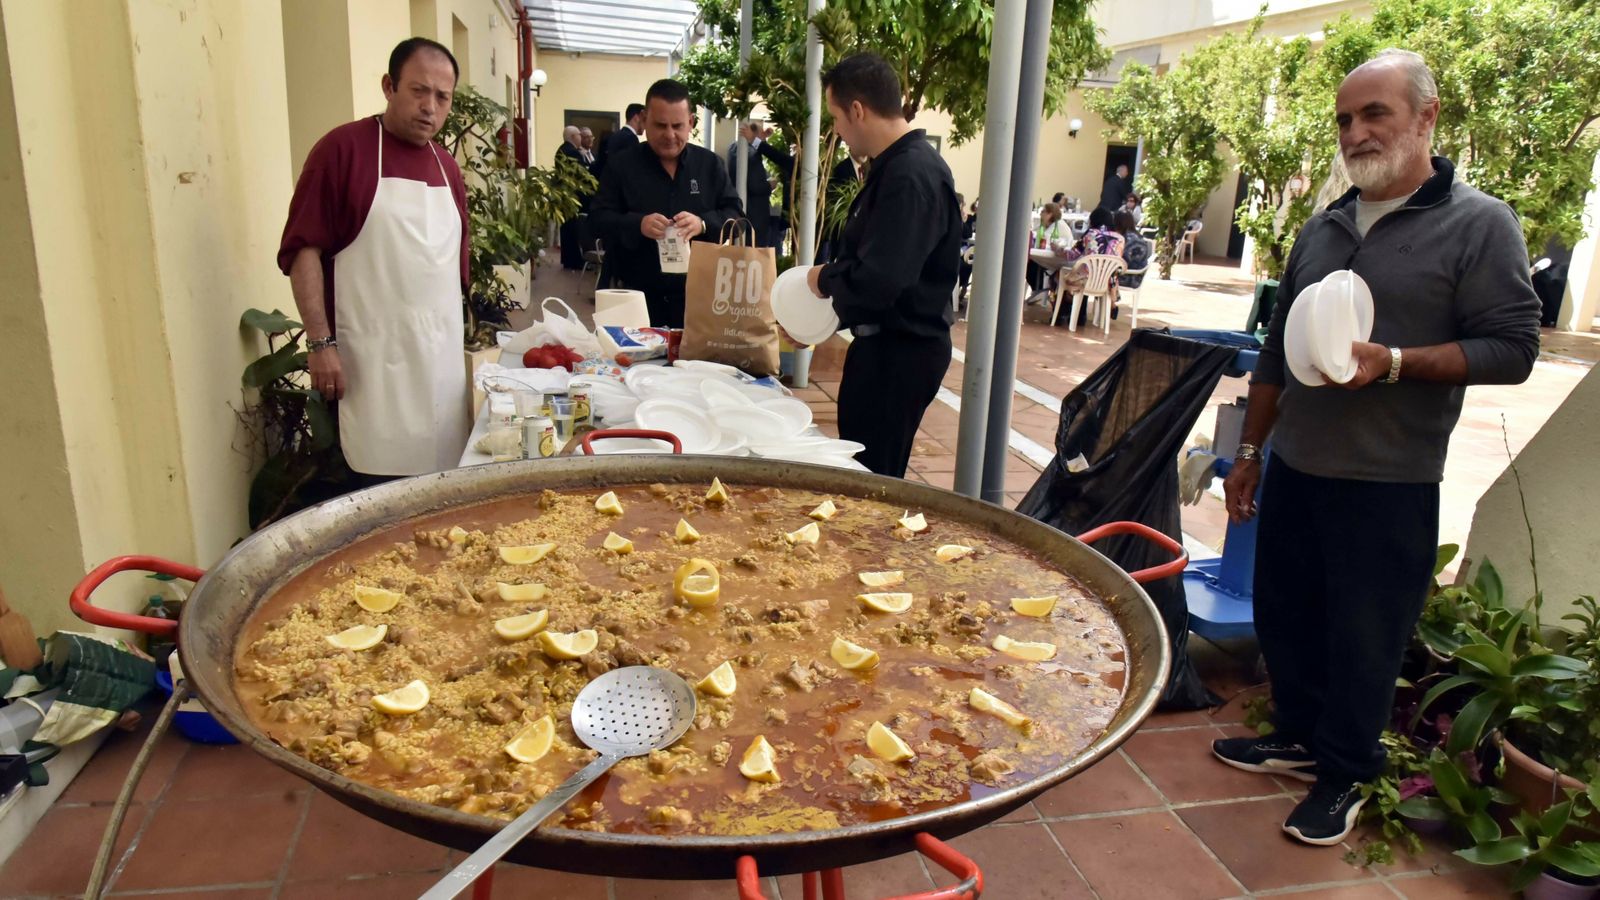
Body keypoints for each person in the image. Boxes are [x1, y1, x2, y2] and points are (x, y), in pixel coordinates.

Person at [1215, 49, 1540, 846]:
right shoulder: (1323, 225)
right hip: (1296, 463)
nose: (1355, 133)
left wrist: (1396, 363)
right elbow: (1276, 353)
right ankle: (1297, 737)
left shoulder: (1480, 224)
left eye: (1374, 114)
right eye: (1344, 120)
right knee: (1286, 615)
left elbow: (1514, 347)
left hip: (1389, 478)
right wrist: (1252, 449)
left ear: (1426, 117)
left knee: (1365, 634)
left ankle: (1347, 773)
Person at [277, 37, 470, 480]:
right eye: (418, 91)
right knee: (371, 496)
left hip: (439, 365)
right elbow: (304, 249)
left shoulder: (447, 166)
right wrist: (320, 344)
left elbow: (451, 273)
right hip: (369, 366)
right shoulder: (342, 151)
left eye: (442, 97)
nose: (430, 108)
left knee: (441, 492)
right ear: (389, 86)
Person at [806, 53, 961, 478]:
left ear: (857, 110)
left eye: (836, 117)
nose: (836, 130)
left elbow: (881, 279)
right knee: (865, 468)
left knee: (873, 481)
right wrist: (814, 326)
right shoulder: (895, 166)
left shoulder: (910, 175)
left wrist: (822, 280)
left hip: (901, 352)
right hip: (885, 347)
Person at [590, 79, 743, 327]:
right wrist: (637, 224)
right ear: (643, 119)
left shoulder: (710, 165)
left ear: (691, 122)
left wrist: (703, 223)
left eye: (677, 126)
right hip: (634, 299)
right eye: (660, 125)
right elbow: (597, 220)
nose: (669, 135)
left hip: (698, 302)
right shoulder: (621, 165)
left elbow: (736, 217)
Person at [727, 120, 772, 247]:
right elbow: (755, 186)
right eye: (760, 134)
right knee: (755, 254)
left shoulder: (733, 148)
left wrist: (763, 138)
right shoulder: (751, 154)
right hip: (756, 215)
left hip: (742, 210)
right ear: (752, 134)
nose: (763, 138)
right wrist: (770, 185)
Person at [556, 126, 588, 270]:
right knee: (573, 229)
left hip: (564, 196)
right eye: (580, 135)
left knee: (567, 229)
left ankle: (568, 259)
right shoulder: (572, 152)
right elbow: (581, 174)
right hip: (572, 196)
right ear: (573, 136)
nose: (581, 138)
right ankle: (574, 261)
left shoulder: (561, 150)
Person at [1111, 209, 1150, 319]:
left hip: (1128, 276)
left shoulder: (1125, 239)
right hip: (1137, 276)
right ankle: (1109, 306)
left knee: (1102, 278)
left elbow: (1121, 262)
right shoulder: (1137, 235)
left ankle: (1110, 305)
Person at [1026, 202, 1069, 293]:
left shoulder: (1058, 225)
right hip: (1054, 256)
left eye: (1043, 211)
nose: (1040, 214)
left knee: (1031, 263)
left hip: (1061, 260)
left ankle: (1038, 290)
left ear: (1050, 214)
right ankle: (1037, 290)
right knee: (1030, 262)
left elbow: (1044, 238)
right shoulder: (1047, 225)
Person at [595, 102, 645, 176]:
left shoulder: (613, 136)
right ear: (637, 118)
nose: (646, 125)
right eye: (645, 119)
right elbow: (631, 168)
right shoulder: (630, 138)